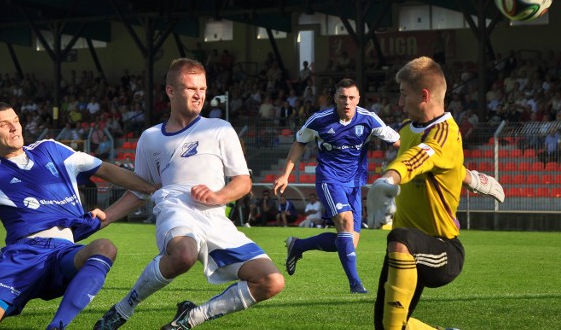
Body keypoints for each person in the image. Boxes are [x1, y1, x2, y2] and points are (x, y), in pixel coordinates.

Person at [0, 102, 155, 330]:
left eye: (16, 121)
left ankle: (57, 326)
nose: (14, 128)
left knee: (104, 247)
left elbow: (104, 168)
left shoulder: (51, 150)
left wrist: (149, 187)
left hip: (63, 253)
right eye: (4, 125)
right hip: (23, 257)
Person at [93, 58, 284, 330]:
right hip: (176, 206)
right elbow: (141, 189)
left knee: (271, 281)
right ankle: (123, 308)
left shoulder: (219, 128)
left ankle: (192, 317)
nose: (199, 95)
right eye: (191, 88)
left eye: (203, 89)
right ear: (171, 91)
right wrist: (106, 217)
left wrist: (218, 196)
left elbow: (243, 181)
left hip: (215, 217)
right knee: (183, 254)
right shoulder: (150, 138)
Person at [368, 56, 504, 329]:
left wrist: (387, 179)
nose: (399, 102)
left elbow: (422, 157)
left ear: (424, 95)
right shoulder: (408, 129)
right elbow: (446, 165)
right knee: (388, 327)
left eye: (403, 94)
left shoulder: (445, 131)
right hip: (406, 249)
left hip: (442, 249)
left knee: (399, 236)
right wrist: (473, 179)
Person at [273, 78, 400, 294]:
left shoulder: (369, 119)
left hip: (355, 184)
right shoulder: (319, 120)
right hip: (329, 179)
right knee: (345, 222)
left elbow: (398, 142)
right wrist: (285, 175)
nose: (347, 102)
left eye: (351, 97)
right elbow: (299, 143)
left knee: (349, 242)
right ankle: (356, 285)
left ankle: (299, 245)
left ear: (358, 99)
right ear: (335, 99)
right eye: (342, 97)